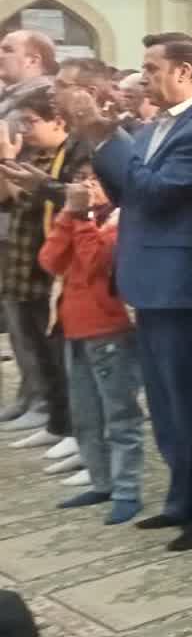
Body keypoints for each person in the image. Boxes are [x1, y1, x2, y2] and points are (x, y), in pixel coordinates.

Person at [70, 33, 192, 551]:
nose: (143, 78)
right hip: (152, 276)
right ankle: (181, 499)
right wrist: (105, 142)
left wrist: (105, 133)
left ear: (184, 71)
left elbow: (158, 193)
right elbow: (128, 191)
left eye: (151, 68)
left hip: (183, 280)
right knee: (164, 404)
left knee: (189, 403)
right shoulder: (155, 124)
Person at [37, 156, 144, 522]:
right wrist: (69, 215)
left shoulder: (123, 221)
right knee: (85, 415)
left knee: (120, 415)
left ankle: (127, 490)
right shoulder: (81, 217)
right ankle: (102, 482)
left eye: (95, 180)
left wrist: (80, 219)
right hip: (73, 329)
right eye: (82, 179)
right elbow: (50, 260)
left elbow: (95, 260)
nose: (86, 186)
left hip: (109, 330)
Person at [0, 98, 83, 457]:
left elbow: (57, 202)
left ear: (58, 121)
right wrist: (6, 162)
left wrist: (10, 161)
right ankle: (53, 420)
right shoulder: (34, 157)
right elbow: (11, 200)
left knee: (58, 353)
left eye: (31, 122)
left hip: (50, 267)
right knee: (36, 349)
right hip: (25, 262)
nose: (25, 131)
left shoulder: (72, 157)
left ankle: (69, 424)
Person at [0, 30, 59, 432]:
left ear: (34, 59)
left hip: (25, 217)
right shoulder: (11, 99)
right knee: (16, 315)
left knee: (33, 317)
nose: (0, 55)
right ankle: (30, 392)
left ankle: (46, 399)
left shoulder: (40, 99)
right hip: (10, 216)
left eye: (8, 49)